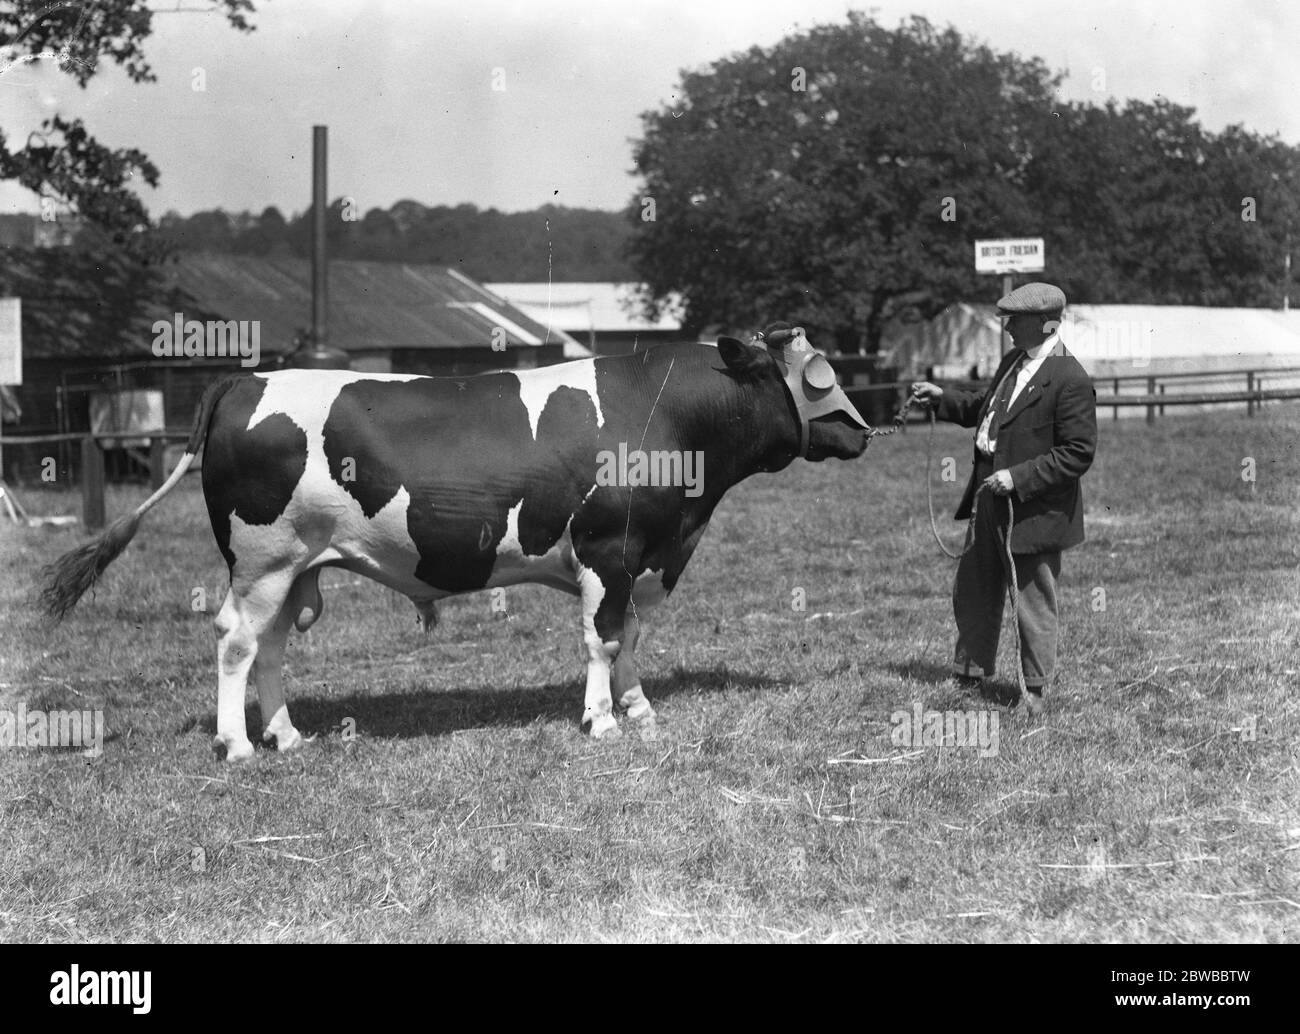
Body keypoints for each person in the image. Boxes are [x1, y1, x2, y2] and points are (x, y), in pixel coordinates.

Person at [909, 282, 1097, 714]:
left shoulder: (1070, 378)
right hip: (987, 496)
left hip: (1033, 508)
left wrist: (1017, 478)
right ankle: (969, 675)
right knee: (974, 589)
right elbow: (987, 409)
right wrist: (945, 400)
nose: (1007, 327)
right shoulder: (1015, 361)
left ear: (1043, 324)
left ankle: (1033, 691)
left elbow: (1077, 453)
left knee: (1031, 599)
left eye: (1014, 319)